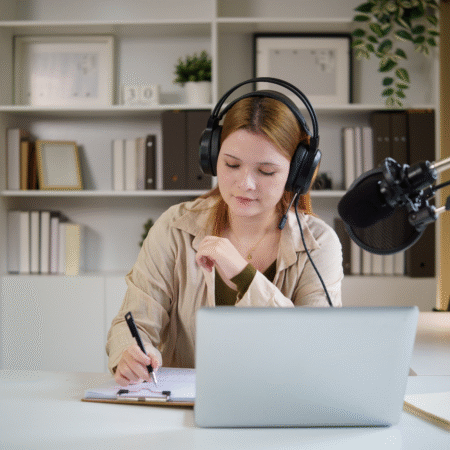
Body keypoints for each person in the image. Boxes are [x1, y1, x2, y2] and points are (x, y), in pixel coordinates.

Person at [106, 93, 343, 386]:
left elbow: (315, 349)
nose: (245, 184)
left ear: (297, 174)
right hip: (187, 409)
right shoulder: (175, 227)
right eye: (231, 165)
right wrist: (129, 353)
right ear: (212, 157)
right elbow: (134, 321)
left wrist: (243, 276)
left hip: (281, 405)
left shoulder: (319, 244)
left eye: (266, 171)